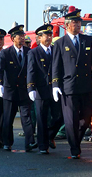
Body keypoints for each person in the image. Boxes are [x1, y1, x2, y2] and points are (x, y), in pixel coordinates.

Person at [52, 9, 92, 159]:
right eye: (75, 23)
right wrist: (55, 85)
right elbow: (56, 66)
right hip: (68, 87)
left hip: (86, 86)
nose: (78, 25)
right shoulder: (60, 43)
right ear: (67, 25)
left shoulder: (87, 40)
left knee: (86, 118)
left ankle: (76, 142)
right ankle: (74, 148)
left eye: (79, 22)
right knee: (71, 120)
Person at [0, 25, 37, 152]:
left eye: (23, 36)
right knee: (8, 118)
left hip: (24, 91)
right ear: (13, 38)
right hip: (10, 91)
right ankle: (7, 142)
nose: (23, 38)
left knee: (27, 118)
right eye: (20, 36)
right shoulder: (5, 53)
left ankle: (29, 142)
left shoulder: (29, 52)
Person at [27, 24, 64, 154]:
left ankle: (49, 135)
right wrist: (31, 87)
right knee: (41, 118)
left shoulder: (55, 50)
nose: (48, 38)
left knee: (60, 116)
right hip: (40, 90)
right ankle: (43, 146)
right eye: (45, 36)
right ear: (39, 38)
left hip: (55, 89)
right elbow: (31, 70)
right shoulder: (33, 52)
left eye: (50, 35)